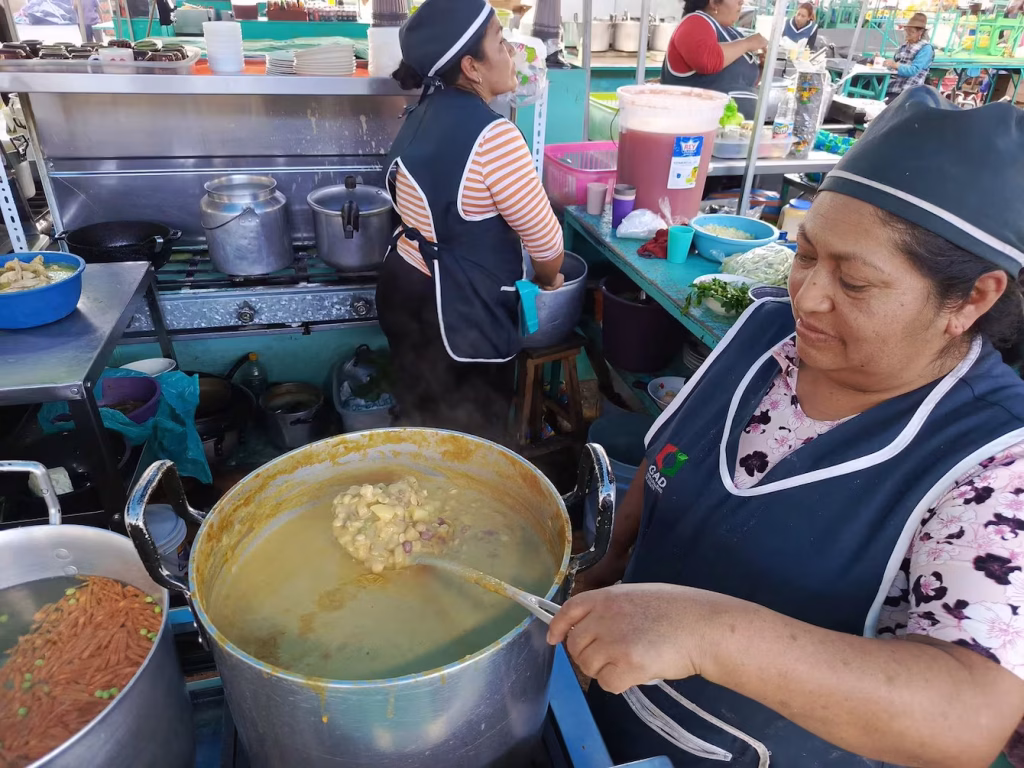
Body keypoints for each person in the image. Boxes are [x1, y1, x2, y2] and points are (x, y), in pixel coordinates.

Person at [548, 86, 1024, 767]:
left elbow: (968, 717)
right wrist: (602, 573)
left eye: (854, 283)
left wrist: (709, 633)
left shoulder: (997, 461)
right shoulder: (763, 333)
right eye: (806, 255)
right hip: (609, 710)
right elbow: (664, 470)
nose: (809, 296)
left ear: (972, 298)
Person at [377, 0, 564, 443]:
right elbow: (546, 244)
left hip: (403, 290)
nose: (512, 53)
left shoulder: (417, 114)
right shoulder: (494, 136)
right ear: (471, 67)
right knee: (471, 442)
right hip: (458, 313)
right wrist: (548, 279)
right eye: (500, 43)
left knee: (421, 424)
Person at [660, 0, 768, 110]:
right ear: (714, 3)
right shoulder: (695, 22)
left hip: (737, 120)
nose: (741, 2)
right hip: (697, 118)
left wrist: (761, 68)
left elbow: (739, 82)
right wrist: (747, 43)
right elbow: (706, 61)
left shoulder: (733, 33)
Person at [883, 12, 934, 102]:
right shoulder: (904, 46)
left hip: (908, 91)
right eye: (907, 30)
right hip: (892, 87)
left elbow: (913, 70)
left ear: (920, 32)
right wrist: (885, 62)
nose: (908, 33)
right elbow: (894, 62)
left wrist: (895, 65)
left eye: (911, 31)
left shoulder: (926, 48)